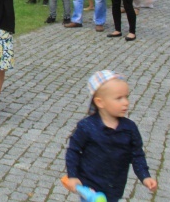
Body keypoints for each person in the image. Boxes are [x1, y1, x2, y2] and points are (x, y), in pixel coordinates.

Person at [65, 70, 157, 202]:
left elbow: (137, 154)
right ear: (100, 102)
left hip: (115, 187)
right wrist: (73, 176)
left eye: (126, 97)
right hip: (90, 188)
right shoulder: (86, 127)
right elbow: (73, 151)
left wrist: (145, 176)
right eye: (119, 98)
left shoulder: (129, 128)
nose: (125, 102)